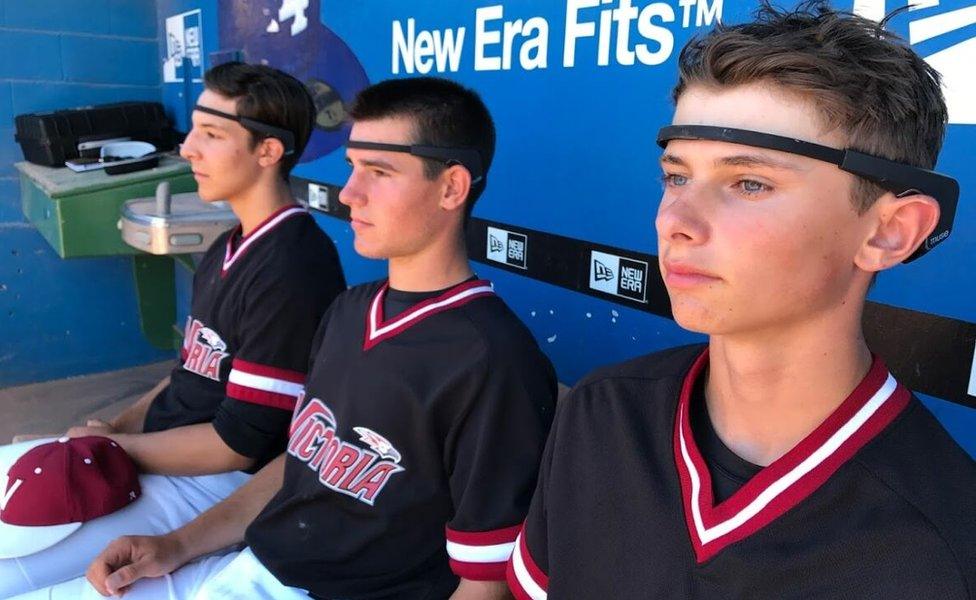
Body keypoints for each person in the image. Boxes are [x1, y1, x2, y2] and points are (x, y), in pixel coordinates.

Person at [18, 76, 557, 600]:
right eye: (351, 168)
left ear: (452, 187)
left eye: (379, 171)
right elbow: (299, 466)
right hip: (249, 564)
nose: (350, 194)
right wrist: (177, 545)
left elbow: (484, 582)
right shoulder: (350, 309)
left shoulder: (494, 360)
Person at [507, 3, 976, 599]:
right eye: (676, 176)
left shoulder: (948, 548)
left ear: (889, 231)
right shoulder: (601, 413)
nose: (675, 220)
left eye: (749, 183)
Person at [0, 62, 346, 596]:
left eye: (211, 134)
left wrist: (112, 449)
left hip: (213, 486)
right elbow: (188, 372)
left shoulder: (293, 264)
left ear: (268, 151)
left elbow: (238, 447)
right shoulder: (227, 246)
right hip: (159, 457)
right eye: (194, 131)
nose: (187, 149)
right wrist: (115, 426)